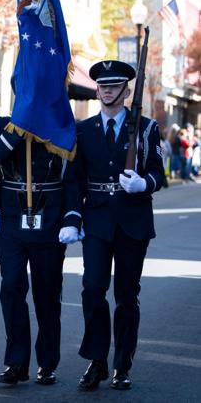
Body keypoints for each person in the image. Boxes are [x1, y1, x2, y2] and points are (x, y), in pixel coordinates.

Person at [74, 60, 164, 391]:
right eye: (102, 85)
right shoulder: (83, 130)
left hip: (132, 221)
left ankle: (121, 365)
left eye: (114, 85)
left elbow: (159, 172)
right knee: (93, 289)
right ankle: (96, 361)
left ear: (127, 91)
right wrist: (73, 216)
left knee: (126, 296)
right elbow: (76, 180)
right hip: (96, 219)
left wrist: (145, 183)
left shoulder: (146, 127)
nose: (107, 90)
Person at [0, 116, 82, 386]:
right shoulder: (4, 126)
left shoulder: (61, 126)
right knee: (11, 288)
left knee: (48, 293)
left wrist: (72, 218)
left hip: (50, 219)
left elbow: (72, 178)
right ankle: (17, 362)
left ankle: (47, 363)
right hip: (12, 219)